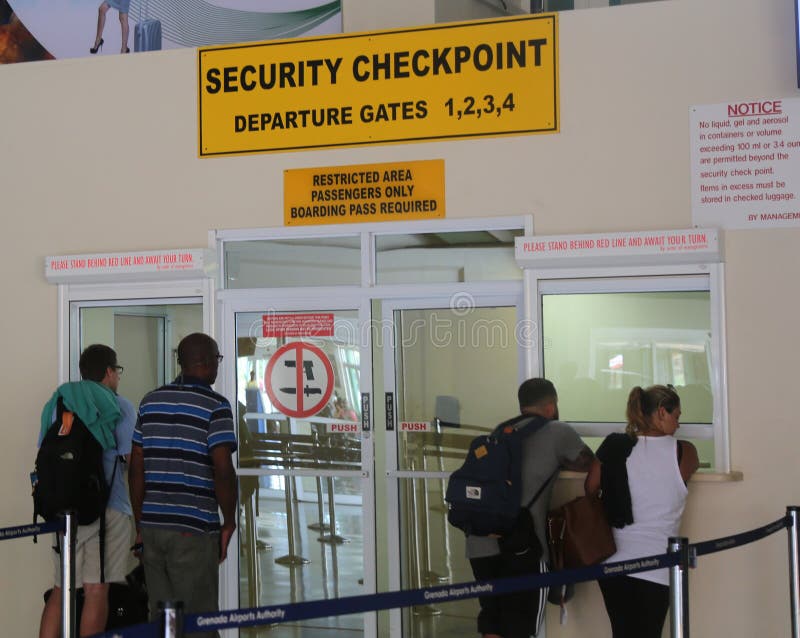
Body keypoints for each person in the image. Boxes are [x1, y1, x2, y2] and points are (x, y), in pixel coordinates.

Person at [466, 378, 595, 638]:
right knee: (521, 628)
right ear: (550, 406)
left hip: (480, 542)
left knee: (493, 620)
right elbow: (591, 464)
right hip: (522, 548)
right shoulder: (558, 431)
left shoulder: (500, 432)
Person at [129, 333, 237, 637]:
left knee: (162, 621)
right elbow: (223, 470)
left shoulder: (150, 401)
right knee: (198, 622)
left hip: (152, 527)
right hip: (194, 528)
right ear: (210, 361)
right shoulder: (215, 406)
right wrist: (228, 521)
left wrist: (140, 523)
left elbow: (137, 467)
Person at [585, 384, 699, 638]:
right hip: (658, 565)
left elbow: (590, 487)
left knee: (622, 633)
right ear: (661, 412)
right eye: (676, 416)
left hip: (613, 562)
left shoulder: (613, 446)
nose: (678, 424)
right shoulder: (685, 453)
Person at [38, 344, 136, 638]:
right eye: (116, 371)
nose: (117, 378)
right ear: (108, 371)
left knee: (61, 588)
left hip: (63, 509)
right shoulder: (120, 406)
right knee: (96, 590)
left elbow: (45, 451)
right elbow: (131, 462)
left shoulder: (57, 402)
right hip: (108, 508)